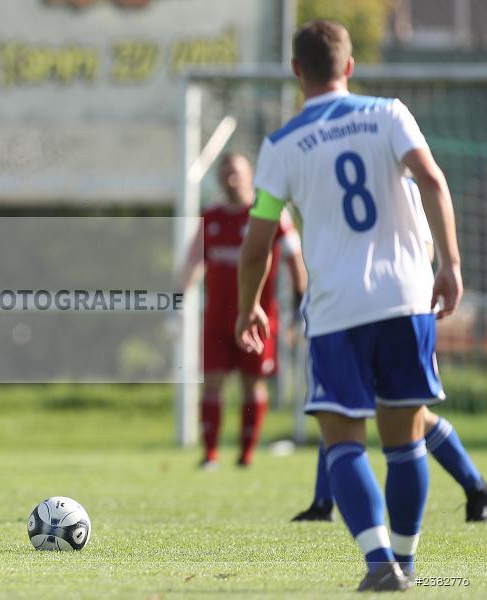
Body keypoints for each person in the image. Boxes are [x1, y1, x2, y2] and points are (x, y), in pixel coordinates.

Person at [235, 20, 463, 592]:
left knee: (342, 438)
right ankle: (406, 562)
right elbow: (432, 181)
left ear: (296, 72)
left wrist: (247, 308)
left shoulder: (281, 146)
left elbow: (258, 240)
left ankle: (379, 561)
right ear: (350, 67)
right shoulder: (389, 113)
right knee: (405, 436)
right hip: (406, 296)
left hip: (337, 306)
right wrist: (451, 265)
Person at [292, 179, 486, 524]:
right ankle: (324, 503)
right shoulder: (327, 184)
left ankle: (474, 486)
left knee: (405, 414)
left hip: (396, 312)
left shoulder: (404, 186)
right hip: (344, 308)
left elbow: (426, 247)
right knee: (337, 404)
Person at [181, 153, 305, 469]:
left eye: (236, 173)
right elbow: (194, 262)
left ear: (250, 175)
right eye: (225, 175)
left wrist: (301, 303)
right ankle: (210, 454)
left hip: (258, 317)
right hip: (218, 319)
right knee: (212, 383)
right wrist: (176, 303)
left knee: (253, 383)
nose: (230, 180)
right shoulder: (211, 217)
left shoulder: (269, 213)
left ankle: (246, 454)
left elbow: (295, 259)